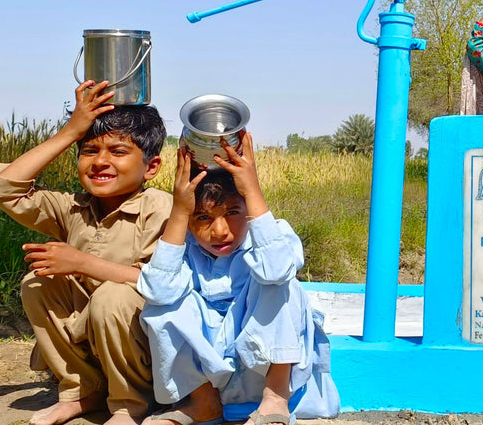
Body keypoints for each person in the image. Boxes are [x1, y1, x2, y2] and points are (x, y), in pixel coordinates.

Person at [0, 80, 170, 425]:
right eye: (89, 150)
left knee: (113, 296)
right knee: (37, 282)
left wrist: (83, 262)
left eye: (118, 152)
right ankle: (83, 391)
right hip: (94, 341)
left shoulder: (159, 208)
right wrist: (71, 131)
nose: (100, 162)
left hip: (145, 351)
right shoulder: (72, 207)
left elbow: (161, 284)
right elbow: (2, 187)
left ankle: (130, 404)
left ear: (152, 167)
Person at [138, 133, 339, 425]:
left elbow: (277, 270)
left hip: (265, 380)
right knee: (162, 302)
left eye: (233, 212)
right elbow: (157, 292)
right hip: (215, 384)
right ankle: (202, 404)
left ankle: (275, 399)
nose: (220, 231)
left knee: (279, 283)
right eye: (203, 217)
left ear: (249, 208)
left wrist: (252, 189)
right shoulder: (184, 248)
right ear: (189, 223)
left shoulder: (273, 236)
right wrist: (180, 211)